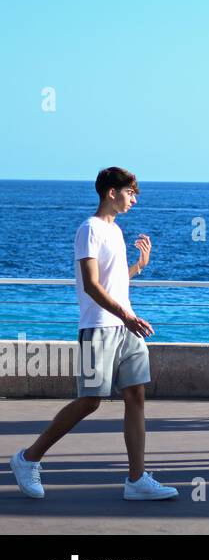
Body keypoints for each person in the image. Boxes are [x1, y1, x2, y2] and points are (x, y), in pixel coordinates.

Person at [9, 167, 177, 501]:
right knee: (90, 401)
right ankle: (28, 458)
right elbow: (91, 285)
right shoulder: (90, 229)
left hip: (125, 326)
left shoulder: (115, 232)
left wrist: (138, 268)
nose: (134, 198)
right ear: (111, 192)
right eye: (130, 192)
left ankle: (136, 480)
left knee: (136, 396)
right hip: (99, 326)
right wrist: (127, 316)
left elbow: (114, 282)